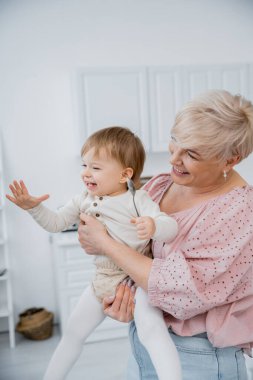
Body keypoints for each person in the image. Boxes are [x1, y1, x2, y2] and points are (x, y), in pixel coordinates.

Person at [77, 90, 253, 380]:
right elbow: (131, 254)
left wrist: (105, 243)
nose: (174, 158)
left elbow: (181, 291)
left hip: (202, 359)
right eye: (175, 141)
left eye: (191, 154)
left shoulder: (239, 211)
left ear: (229, 160)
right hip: (145, 343)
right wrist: (125, 301)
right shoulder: (160, 185)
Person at [6, 126, 181, 380]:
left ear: (125, 175)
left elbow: (171, 228)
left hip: (137, 279)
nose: (86, 173)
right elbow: (55, 223)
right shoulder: (83, 199)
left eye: (96, 168)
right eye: (84, 165)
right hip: (103, 277)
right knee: (73, 333)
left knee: (151, 330)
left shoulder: (137, 200)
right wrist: (34, 208)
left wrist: (154, 225)